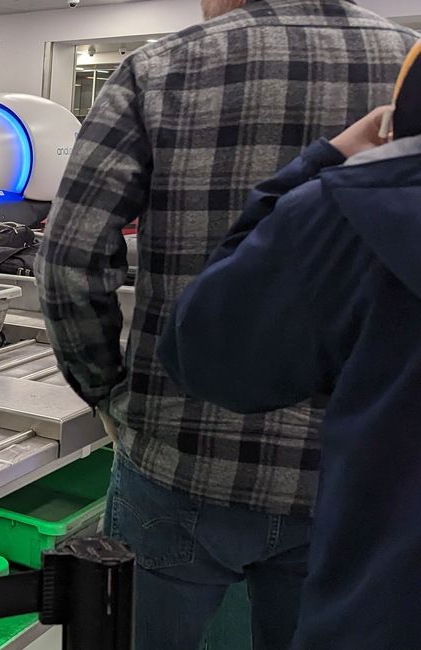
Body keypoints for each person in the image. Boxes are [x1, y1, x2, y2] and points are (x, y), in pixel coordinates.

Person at [35, 0, 418, 646]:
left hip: (178, 457)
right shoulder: (406, 68)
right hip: (350, 479)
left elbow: (70, 257)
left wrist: (106, 390)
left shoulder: (158, 70)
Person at [159, 44, 421, 648]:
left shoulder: (345, 213)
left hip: (377, 606)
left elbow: (206, 350)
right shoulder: (385, 40)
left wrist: (319, 164)